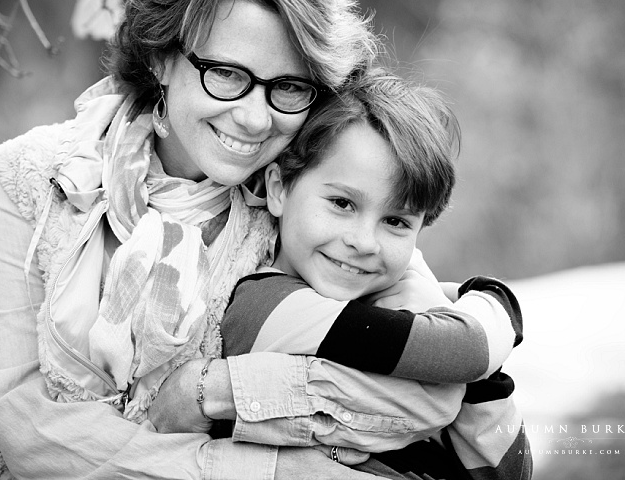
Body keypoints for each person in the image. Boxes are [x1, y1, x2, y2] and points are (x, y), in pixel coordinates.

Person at [0, 0, 470, 480]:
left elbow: (433, 380)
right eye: (226, 74)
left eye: (288, 86)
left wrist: (219, 390)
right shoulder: (33, 180)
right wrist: (277, 472)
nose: (254, 119)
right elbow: (26, 432)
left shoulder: (310, 197)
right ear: (162, 55)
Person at [221, 71, 532, 480]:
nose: (365, 242)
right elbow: (468, 351)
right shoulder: (265, 308)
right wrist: (493, 299)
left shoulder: (389, 307)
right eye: (342, 203)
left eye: (396, 221)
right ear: (279, 188)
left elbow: (511, 469)